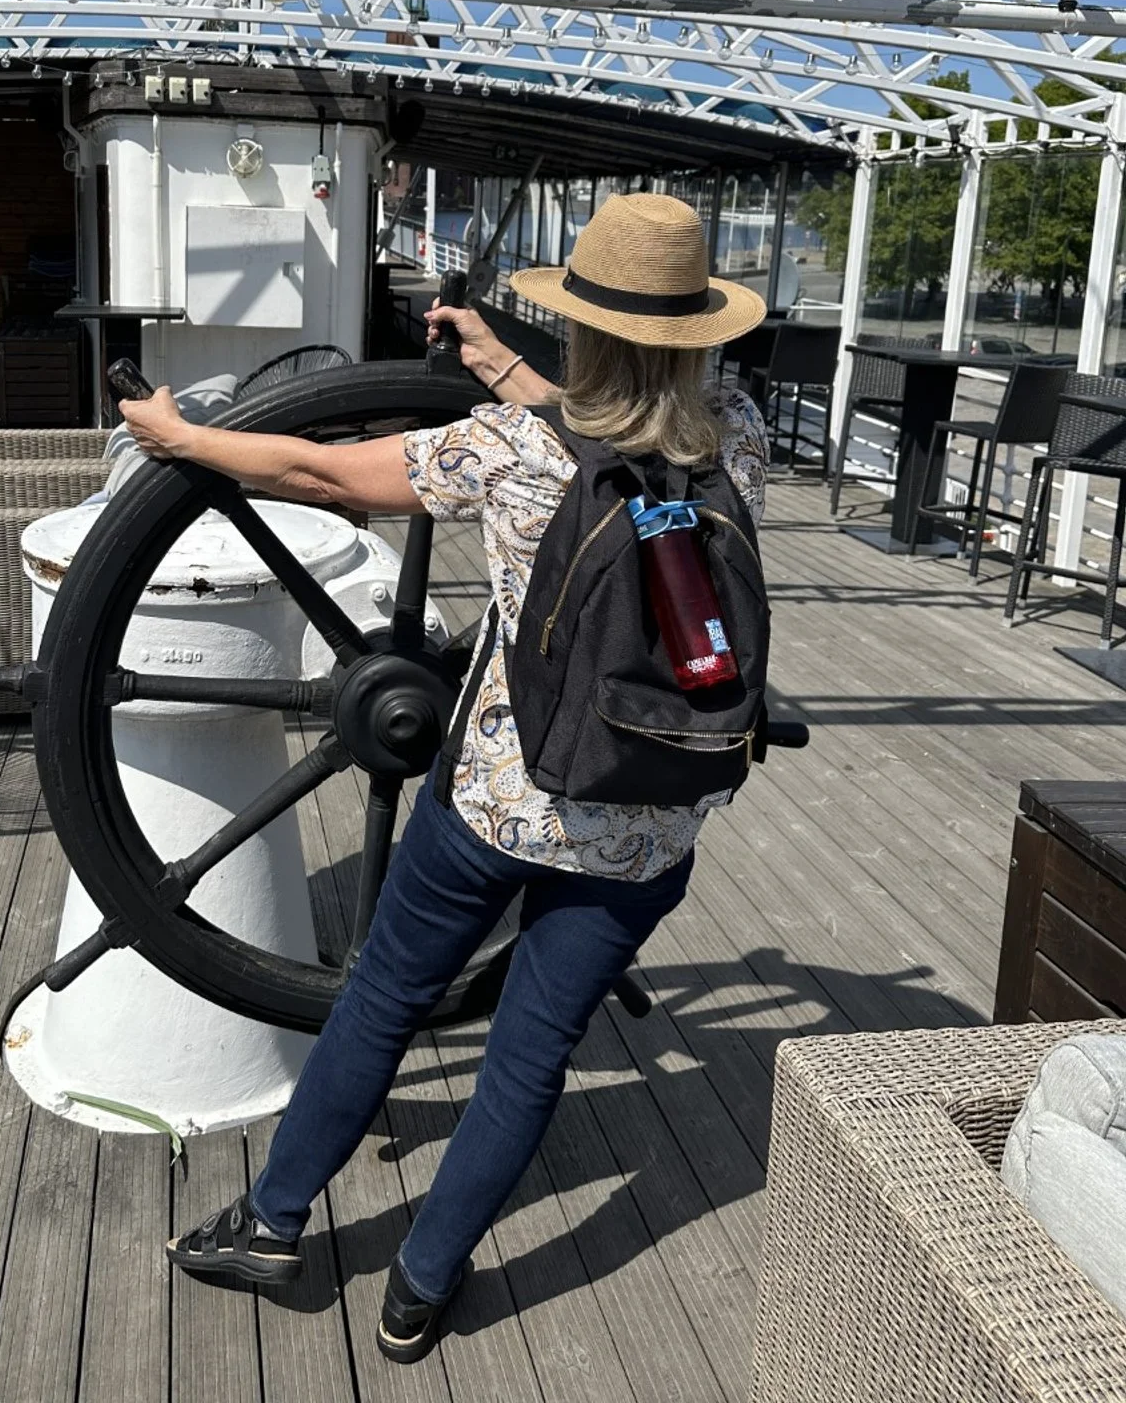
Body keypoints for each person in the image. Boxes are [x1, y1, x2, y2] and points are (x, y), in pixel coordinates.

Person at [118, 192, 768, 1363]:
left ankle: (271, 1225)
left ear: (590, 330)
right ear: (699, 332)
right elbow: (616, 430)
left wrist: (190, 441)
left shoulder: (506, 452)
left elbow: (321, 476)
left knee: (383, 999)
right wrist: (503, 362)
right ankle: (420, 1287)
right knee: (530, 1055)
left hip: (497, 810)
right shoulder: (741, 433)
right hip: (649, 831)